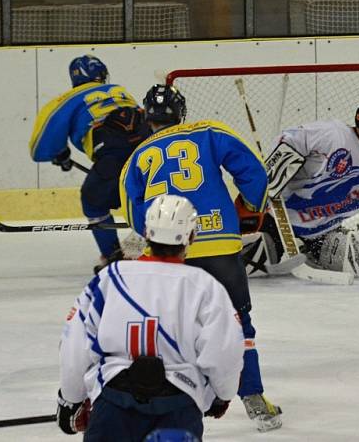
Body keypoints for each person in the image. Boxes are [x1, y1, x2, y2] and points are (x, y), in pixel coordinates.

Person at [119, 84, 283, 432]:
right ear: (181, 113)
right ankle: (253, 396)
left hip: (168, 252)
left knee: (166, 326)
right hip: (219, 243)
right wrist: (252, 205)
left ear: (147, 118)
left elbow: (133, 212)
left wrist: (156, 230)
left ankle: (166, 399)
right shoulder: (207, 131)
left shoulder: (138, 156)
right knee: (238, 321)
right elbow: (252, 169)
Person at [57, 195, 244, 441]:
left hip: (113, 401)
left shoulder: (108, 279)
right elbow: (224, 350)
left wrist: (71, 399)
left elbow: (75, 345)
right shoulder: (205, 287)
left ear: (146, 232)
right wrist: (222, 395)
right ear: (191, 236)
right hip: (178, 404)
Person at [241, 100, 359, 279]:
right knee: (252, 258)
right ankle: (273, 241)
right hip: (283, 220)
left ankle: (308, 248)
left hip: (324, 230)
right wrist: (276, 166)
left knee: (349, 261)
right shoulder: (333, 135)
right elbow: (291, 138)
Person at [29, 55, 150, 269]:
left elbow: (41, 147)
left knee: (93, 201)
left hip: (113, 151)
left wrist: (59, 152)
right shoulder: (120, 91)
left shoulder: (68, 98)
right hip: (150, 146)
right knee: (145, 195)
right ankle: (158, 243)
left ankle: (112, 255)